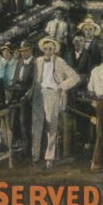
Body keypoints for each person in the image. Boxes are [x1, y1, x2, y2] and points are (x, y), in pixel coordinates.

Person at [29, 36, 81, 168]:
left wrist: (62, 86)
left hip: (53, 95)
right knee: (39, 125)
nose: (48, 51)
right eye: (45, 49)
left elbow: (75, 77)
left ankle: (49, 157)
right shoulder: (38, 61)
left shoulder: (60, 62)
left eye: (50, 49)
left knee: (52, 127)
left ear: (55, 50)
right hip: (40, 95)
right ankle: (36, 155)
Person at [8, 41, 35, 153]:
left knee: (24, 120)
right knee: (12, 117)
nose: (23, 53)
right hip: (17, 93)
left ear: (31, 50)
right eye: (22, 51)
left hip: (28, 95)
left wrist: (27, 95)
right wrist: (11, 93)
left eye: (26, 51)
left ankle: (26, 147)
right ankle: (17, 141)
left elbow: (35, 83)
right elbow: (15, 79)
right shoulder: (19, 63)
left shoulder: (35, 63)